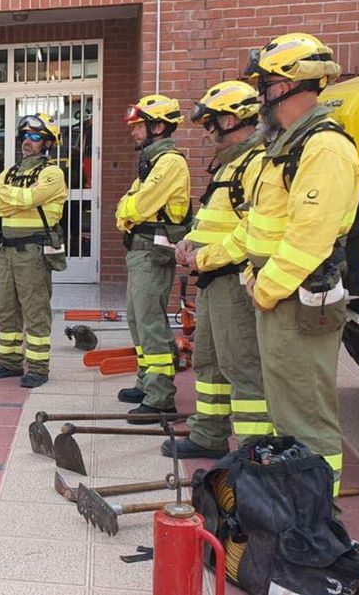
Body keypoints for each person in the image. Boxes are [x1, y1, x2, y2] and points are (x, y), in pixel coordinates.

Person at [241, 33, 358, 495]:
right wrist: (257, 276)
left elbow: (309, 236)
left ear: (291, 85)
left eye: (264, 84)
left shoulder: (323, 147)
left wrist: (264, 286)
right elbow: (265, 226)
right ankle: (291, 501)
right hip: (277, 293)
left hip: (298, 297)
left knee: (307, 414)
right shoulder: (289, 144)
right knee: (284, 405)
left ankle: (316, 519)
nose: (260, 95)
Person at [164, 81, 270, 459]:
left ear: (230, 120)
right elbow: (218, 219)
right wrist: (190, 241)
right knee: (208, 358)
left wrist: (205, 257)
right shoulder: (230, 164)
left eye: (211, 124)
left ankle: (254, 450)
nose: (208, 133)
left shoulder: (257, 163)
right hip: (212, 278)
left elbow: (255, 227)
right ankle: (208, 434)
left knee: (241, 364)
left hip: (233, 279)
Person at [115, 95, 192, 423]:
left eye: (139, 127)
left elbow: (137, 206)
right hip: (140, 250)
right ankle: (147, 382)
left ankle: (161, 397)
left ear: (158, 127)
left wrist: (127, 210)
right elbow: (126, 205)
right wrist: (127, 209)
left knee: (149, 320)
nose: (134, 133)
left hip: (153, 252)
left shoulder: (170, 163)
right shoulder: (152, 163)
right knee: (136, 317)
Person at [0, 113, 68, 389]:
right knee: (6, 309)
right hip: (6, 251)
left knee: (35, 310)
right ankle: (9, 362)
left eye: (34, 138)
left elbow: (30, 198)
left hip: (33, 251)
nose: (27, 142)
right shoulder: (10, 172)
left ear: (47, 144)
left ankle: (39, 368)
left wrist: (7, 196)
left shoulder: (52, 173)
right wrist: (13, 198)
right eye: (25, 136)